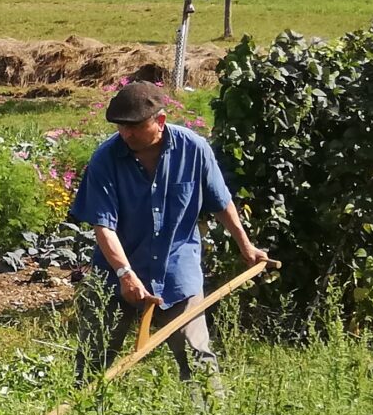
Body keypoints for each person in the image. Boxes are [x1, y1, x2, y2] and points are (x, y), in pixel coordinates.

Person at [66, 80, 268, 392]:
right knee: (94, 360)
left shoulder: (193, 149)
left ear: (160, 121)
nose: (126, 134)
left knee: (198, 360)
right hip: (115, 276)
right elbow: (103, 225)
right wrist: (125, 273)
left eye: (134, 127)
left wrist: (246, 245)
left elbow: (221, 202)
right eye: (121, 127)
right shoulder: (105, 159)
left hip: (176, 274)